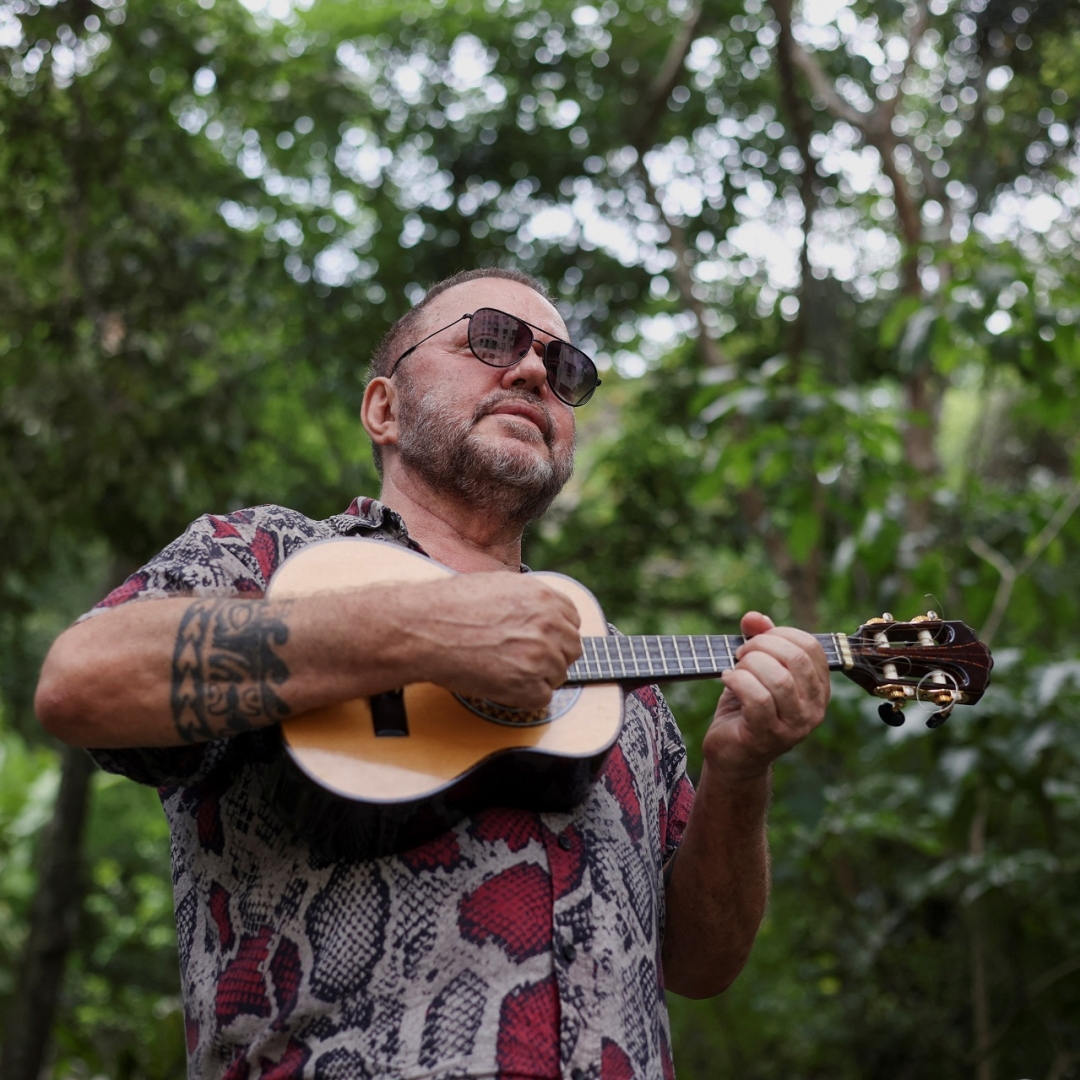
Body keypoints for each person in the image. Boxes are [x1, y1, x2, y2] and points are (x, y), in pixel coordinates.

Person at [35, 267, 830, 1080]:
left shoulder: (627, 687)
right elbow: (82, 681)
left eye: (566, 373)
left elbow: (700, 966)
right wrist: (425, 627)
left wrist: (740, 771)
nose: (531, 372)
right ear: (384, 408)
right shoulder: (265, 556)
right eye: (490, 339)